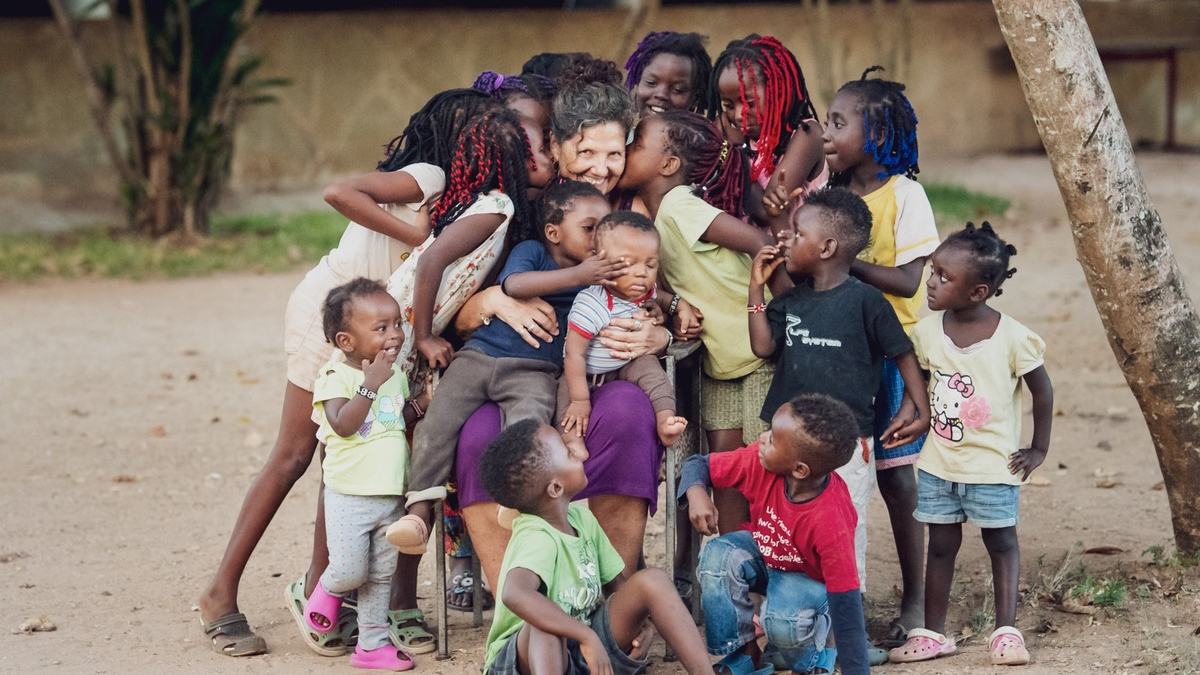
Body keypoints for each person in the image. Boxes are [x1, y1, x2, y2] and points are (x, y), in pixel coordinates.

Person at [197, 88, 497, 658]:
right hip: (331, 316)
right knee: (293, 454)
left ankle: (324, 592)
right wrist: (419, 239)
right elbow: (339, 191)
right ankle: (220, 594)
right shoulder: (428, 175)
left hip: (380, 329)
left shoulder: (475, 200)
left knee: (356, 451)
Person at [386, 180, 625, 553]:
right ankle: (418, 514)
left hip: (535, 373)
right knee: (437, 425)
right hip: (479, 358)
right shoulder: (533, 252)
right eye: (589, 227)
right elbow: (514, 285)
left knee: (529, 431)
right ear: (553, 232)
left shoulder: (598, 283)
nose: (598, 238)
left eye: (605, 229)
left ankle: (518, 504)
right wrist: (581, 276)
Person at [747, 187, 930, 608]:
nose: (786, 240)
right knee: (784, 527)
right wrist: (756, 290)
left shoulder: (867, 302)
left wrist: (917, 408)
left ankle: (847, 628)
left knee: (846, 528)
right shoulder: (791, 300)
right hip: (787, 441)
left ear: (827, 247)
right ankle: (791, 622)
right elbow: (762, 347)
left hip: (848, 445)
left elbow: (902, 353)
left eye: (797, 233)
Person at [884, 223, 1053, 667]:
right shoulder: (926, 332)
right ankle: (933, 634)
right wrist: (909, 418)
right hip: (940, 466)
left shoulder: (1014, 338)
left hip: (995, 468)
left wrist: (1038, 449)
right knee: (940, 546)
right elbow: (917, 385)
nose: (931, 282)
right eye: (933, 271)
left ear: (978, 291)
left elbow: (1044, 392)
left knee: (1001, 544)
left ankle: (1006, 633)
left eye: (943, 276)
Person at [618, 109, 780, 535]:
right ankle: (734, 566)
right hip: (722, 364)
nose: (624, 151)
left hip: (759, 356)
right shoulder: (655, 218)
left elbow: (762, 243)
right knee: (726, 470)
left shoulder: (677, 205)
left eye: (635, 146)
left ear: (669, 165)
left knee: (764, 469)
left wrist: (792, 311)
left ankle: (768, 568)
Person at [824, 67, 941, 645]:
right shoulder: (829, 191)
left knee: (897, 482)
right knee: (843, 479)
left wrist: (843, 261)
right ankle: (841, 601)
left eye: (838, 122)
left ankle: (915, 601)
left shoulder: (906, 195)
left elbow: (908, 279)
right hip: (839, 353)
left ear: (875, 134)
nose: (827, 131)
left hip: (894, 359)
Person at [480, 420, 720, 675]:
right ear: (556, 488)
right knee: (544, 629)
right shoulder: (535, 536)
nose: (582, 452)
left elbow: (619, 588)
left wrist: (644, 623)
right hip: (528, 660)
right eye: (570, 453)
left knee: (652, 581)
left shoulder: (581, 520)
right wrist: (586, 636)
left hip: (582, 646)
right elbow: (515, 594)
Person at [681, 394, 873, 675]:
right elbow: (698, 464)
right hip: (769, 554)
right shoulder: (760, 462)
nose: (762, 437)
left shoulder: (831, 517)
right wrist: (697, 493)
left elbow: (846, 600)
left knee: (780, 620)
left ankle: (818, 652)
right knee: (717, 556)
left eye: (772, 439)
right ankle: (745, 655)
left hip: (809, 581)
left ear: (799, 469)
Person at [302, 279, 427, 671]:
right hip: (349, 497)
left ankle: (371, 645)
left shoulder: (394, 376)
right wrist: (369, 386)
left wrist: (421, 404)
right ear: (346, 341)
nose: (394, 335)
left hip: (389, 495)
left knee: (379, 576)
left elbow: (392, 421)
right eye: (380, 328)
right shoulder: (334, 377)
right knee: (350, 570)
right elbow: (343, 424)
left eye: (396, 324)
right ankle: (323, 591)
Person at [559, 211, 688, 446]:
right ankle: (572, 446)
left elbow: (661, 298)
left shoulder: (643, 292)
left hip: (627, 365)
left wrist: (681, 307)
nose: (642, 273)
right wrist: (580, 400)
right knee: (567, 406)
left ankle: (665, 422)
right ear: (600, 260)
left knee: (652, 371)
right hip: (585, 373)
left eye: (650, 265)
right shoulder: (592, 303)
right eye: (628, 264)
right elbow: (574, 354)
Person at [709, 35, 827, 233]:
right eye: (728, 106)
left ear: (778, 91)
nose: (738, 115)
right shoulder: (736, 137)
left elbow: (765, 213)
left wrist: (737, 150)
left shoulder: (807, 135)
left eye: (750, 103)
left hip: (793, 259)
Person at [624, 31, 714, 118]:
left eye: (677, 90)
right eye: (651, 83)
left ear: (695, 99)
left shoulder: (702, 134)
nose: (661, 94)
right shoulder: (619, 133)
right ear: (638, 82)